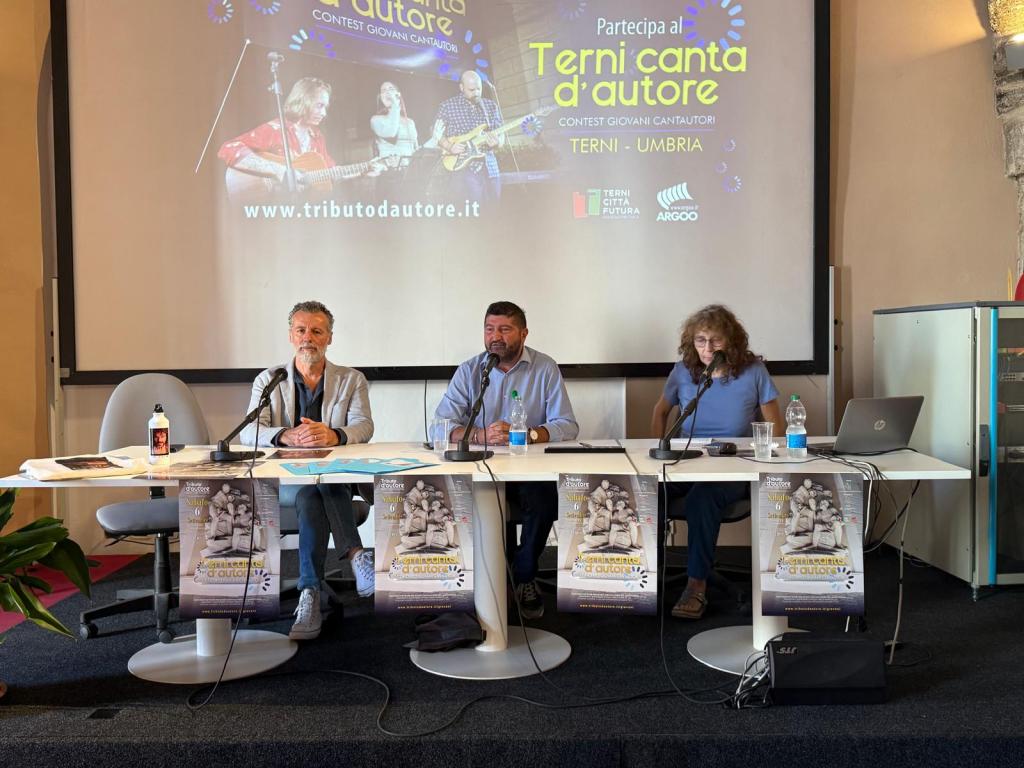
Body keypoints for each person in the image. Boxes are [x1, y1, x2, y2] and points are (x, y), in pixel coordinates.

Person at [240, 300, 375, 640]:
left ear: (329, 337)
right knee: (310, 490)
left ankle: (309, 594)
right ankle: (356, 555)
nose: (308, 337)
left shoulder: (351, 379)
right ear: (290, 336)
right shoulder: (269, 380)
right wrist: (286, 435)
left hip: (334, 480)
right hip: (287, 482)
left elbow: (364, 426)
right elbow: (249, 430)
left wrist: (335, 434)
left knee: (318, 489)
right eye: (301, 330)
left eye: (316, 331)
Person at [434, 301, 578, 618]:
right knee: (466, 505)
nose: (495, 336)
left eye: (504, 329)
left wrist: (528, 434)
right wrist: (479, 435)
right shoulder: (470, 370)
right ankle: (490, 581)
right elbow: (440, 426)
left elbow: (567, 425)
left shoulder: (545, 368)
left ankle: (523, 574)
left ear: (523, 333)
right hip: (481, 471)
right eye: (489, 329)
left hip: (528, 469)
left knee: (545, 504)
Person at [650, 304, 785, 620]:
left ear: (732, 342)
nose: (707, 349)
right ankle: (643, 580)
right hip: (686, 461)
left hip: (734, 466)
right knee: (644, 494)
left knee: (701, 499)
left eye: (715, 341)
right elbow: (660, 412)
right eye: (700, 341)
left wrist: (761, 454)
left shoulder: (755, 372)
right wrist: (658, 452)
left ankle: (696, 586)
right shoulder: (683, 372)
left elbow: (776, 428)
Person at [218, 77, 377, 200]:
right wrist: (278, 171)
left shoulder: (317, 137)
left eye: (325, 107)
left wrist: (362, 170)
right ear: (303, 101)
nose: (324, 113)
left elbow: (329, 173)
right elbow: (228, 148)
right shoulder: (276, 129)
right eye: (319, 106)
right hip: (271, 215)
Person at [433, 70, 504, 203]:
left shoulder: (490, 106)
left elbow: (501, 134)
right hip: (463, 169)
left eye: (479, 89)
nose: (476, 93)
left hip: (490, 167)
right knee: (471, 215)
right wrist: (449, 146)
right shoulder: (448, 106)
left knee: (494, 212)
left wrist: (498, 142)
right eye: (472, 89)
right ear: (461, 87)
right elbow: (436, 133)